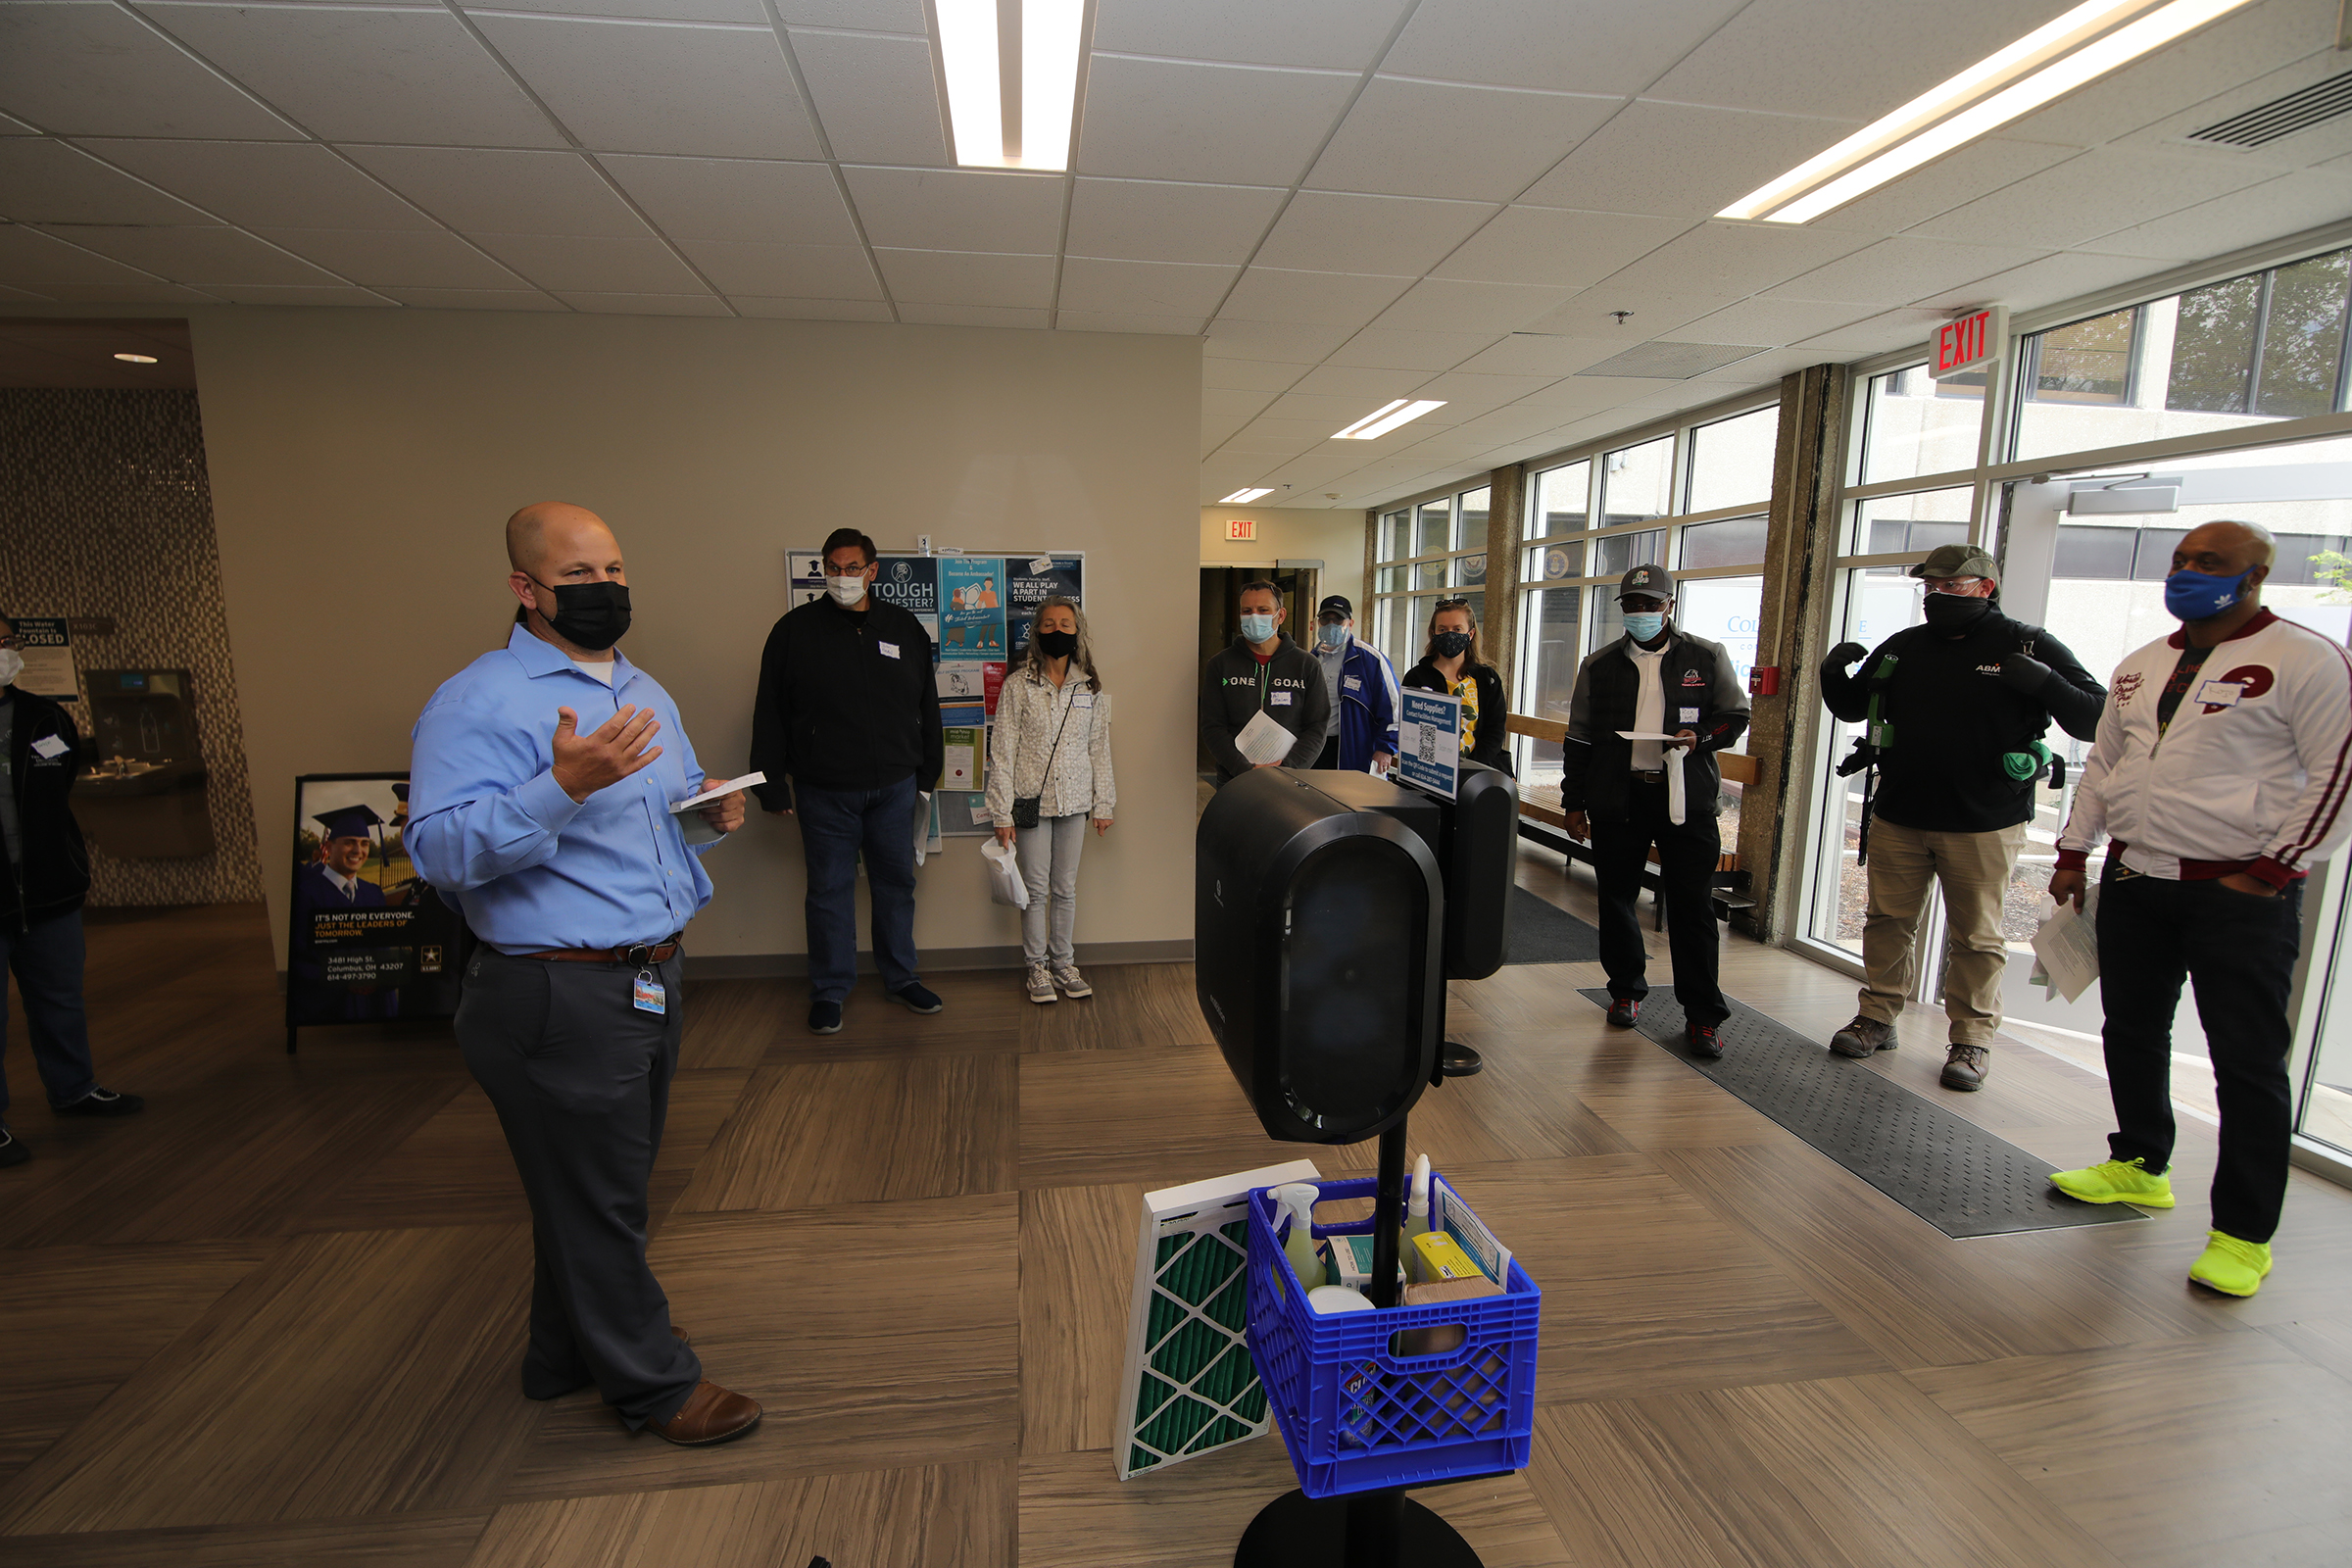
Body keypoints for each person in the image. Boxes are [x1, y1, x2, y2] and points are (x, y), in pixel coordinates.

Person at [407, 501, 760, 1446]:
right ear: (526, 589)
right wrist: (559, 787)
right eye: (580, 577)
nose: (605, 590)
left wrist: (705, 819)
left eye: (614, 571)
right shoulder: (476, 700)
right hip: (556, 991)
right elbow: (437, 852)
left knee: (601, 1185)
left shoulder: (643, 689)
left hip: (647, 979)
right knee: (598, 1195)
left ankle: (563, 1354)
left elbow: (656, 824)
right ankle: (652, 1384)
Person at [2044, 520, 2352, 1298]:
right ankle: (2141, 1163)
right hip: (2138, 879)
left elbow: (2338, 771)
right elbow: (2105, 764)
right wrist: (2075, 852)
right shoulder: (2143, 665)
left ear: (2256, 574)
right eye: (2180, 560)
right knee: (2134, 1028)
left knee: (2245, 1062)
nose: (2186, 572)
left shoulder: (2305, 660)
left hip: (2236, 891)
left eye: (2208, 562)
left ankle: (2244, 1234)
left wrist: (2274, 869)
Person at [1818, 543, 2105, 1089]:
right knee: (1886, 922)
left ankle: (1971, 1040)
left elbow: (2095, 717)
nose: (1938, 595)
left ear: (1986, 588)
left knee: (1976, 936)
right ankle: (1877, 1015)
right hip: (1901, 811)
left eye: (1952, 586)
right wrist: (1835, 671)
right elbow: (1854, 705)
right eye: (1931, 586)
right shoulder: (1906, 645)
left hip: (1984, 819)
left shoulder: (2028, 643)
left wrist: (2045, 682)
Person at [750, 527, 946, 1035]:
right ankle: (831, 990)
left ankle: (902, 978)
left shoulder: (904, 628)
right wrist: (770, 785)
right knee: (829, 891)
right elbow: (769, 712)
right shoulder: (793, 632)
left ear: (872, 571)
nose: (842, 578)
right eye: (833, 569)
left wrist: (929, 770)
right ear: (823, 570)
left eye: (852, 568)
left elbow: (928, 705)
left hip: (895, 787)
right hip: (824, 789)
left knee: (896, 886)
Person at [1558, 567, 1750, 1055]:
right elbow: (1578, 737)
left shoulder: (1705, 657)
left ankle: (1704, 1016)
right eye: (1631, 605)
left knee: (1693, 907)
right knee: (1616, 898)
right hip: (1618, 798)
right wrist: (1574, 801)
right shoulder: (1599, 665)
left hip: (1683, 797)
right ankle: (1625, 990)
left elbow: (1735, 716)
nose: (1641, 614)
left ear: (1670, 604)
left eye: (1650, 604)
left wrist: (1701, 738)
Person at [0, 615, 143, 1170]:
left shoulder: (43, 716)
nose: (5, 652)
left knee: (60, 999)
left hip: (49, 890)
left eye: (7, 643)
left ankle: (73, 1087)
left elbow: (61, 781)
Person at [986, 597, 1115, 1004]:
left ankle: (1064, 962)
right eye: (1048, 625)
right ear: (1036, 633)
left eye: (1065, 624)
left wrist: (1104, 803)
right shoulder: (1017, 685)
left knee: (1065, 888)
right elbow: (1003, 750)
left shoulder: (1088, 686)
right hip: (1030, 801)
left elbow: (1099, 748)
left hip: (1075, 800)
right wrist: (1001, 811)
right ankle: (1036, 967)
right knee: (1037, 889)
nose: (1057, 631)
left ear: (1077, 631)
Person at [1200, 579, 1329, 781]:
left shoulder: (1306, 665)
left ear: (1281, 615)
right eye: (1247, 611)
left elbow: (1317, 727)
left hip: (1289, 778)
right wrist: (1243, 769)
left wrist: (1288, 767)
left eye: (1263, 610)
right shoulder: (1221, 664)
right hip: (1234, 779)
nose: (1254, 617)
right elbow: (1212, 727)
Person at [288, 803, 399, 1023]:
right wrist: (345, 979)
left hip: (374, 1003)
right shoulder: (307, 895)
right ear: (329, 846)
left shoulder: (373, 893)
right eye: (349, 842)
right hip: (332, 1005)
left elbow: (383, 948)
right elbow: (301, 959)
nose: (358, 851)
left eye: (364, 843)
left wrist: (380, 976)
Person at [1402, 596, 1511, 773]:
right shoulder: (1417, 677)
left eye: (1457, 629)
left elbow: (1495, 731)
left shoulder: (1487, 678)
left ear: (1470, 634)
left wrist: (1469, 768)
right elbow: (1412, 731)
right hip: (1432, 773)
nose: (1449, 634)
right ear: (1433, 633)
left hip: (1478, 771)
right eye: (1443, 629)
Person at [1309, 595, 1399, 773]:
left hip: (1354, 753)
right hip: (1314, 748)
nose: (1331, 624)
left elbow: (1394, 708)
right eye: (1325, 619)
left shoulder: (1370, 659)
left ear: (1350, 623)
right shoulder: (1311, 659)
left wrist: (1386, 748)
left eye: (1338, 620)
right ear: (1317, 623)